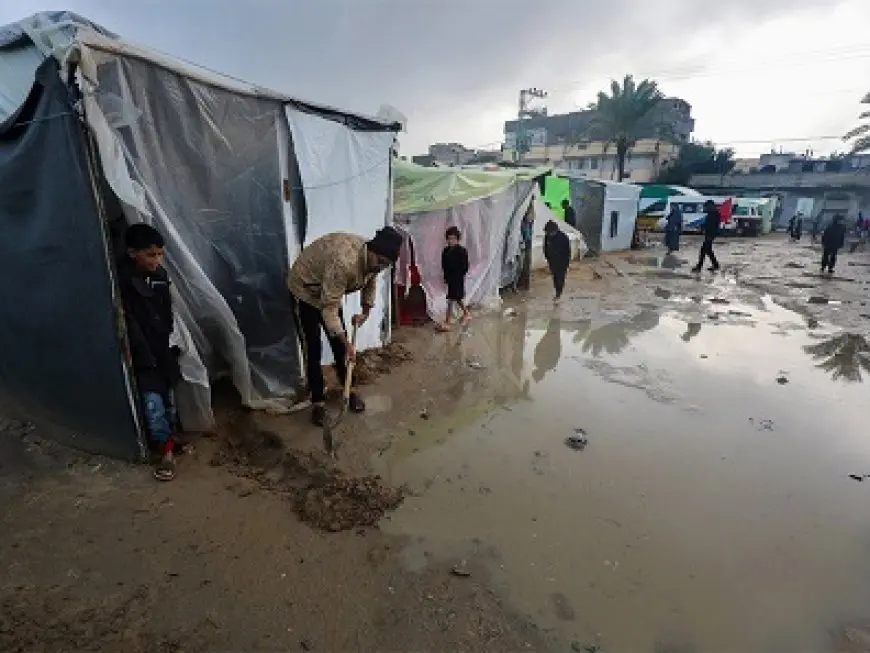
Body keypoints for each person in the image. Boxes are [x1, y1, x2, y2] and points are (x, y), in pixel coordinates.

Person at [288, 227, 402, 426]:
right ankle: (318, 402)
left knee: (340, 347)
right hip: (305, 290)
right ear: (372, 251)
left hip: (328, 288)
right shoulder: (344, 262)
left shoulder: (375, 260)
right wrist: (346, 343)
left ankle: (350, 390)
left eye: (386, 265)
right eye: (380, 262)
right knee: (313, 347)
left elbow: (370, 280)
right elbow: (329, 308)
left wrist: (365, 311)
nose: (381, 267)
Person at [119, 223, 184, 482]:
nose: (157, 260)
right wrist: (142, 352)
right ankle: (166, 453)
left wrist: (172, 340)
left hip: (163, 348)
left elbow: (168, 314)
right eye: (151, 255)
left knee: (169, 399)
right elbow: (130, 322)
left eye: (160, 254)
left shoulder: (160, 276)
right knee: (152, 405)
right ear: (133, 253)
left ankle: (171, 440)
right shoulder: (122, 282)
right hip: (142, 352)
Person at [438, 226, 471, 331]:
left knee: (451, 299)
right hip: (450, 278)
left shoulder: (462, 251)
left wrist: (459, 275)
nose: (451, 241)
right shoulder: (445, 251)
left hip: (458, 278)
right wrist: (446, 277)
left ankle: (448, 322)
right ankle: (466, 313)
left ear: (457, 239)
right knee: (456, 298)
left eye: (453, 238)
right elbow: (444, 265)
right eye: (449, 238)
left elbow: (465, 266)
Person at [543, 220, 571, 302]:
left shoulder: (563, 237)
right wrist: (547, 258)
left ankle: (558, 293)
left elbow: (567, 251)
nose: (548, 234)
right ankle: (557, 291)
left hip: (562, 262)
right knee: (555, 277)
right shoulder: (547, 237)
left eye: (550, 232)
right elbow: (545, 248)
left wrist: (566, 263)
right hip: (552, 261)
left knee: (560, 278)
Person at [691, 200, 721, 273]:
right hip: (709, 234)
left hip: (710, 234)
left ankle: (699, 267)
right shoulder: (712, 213)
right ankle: (715, 265)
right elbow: (708, 223)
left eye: (706, 206)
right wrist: (702, 227)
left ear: (710, 206)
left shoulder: (714, 214)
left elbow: (712, 225)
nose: (705, 208)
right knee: (708, 250)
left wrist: (707, 231)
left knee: (703, 250)